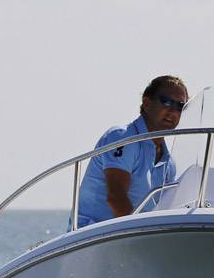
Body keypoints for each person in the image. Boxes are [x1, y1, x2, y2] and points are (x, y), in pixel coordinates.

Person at [75, 75, 188, 227]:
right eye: (166, 101)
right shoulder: (123, 138)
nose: (173, 111)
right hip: (92, 234)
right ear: (147, 103)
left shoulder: (169, 163)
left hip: (131, 236)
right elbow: (116, 198)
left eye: (180, 106)